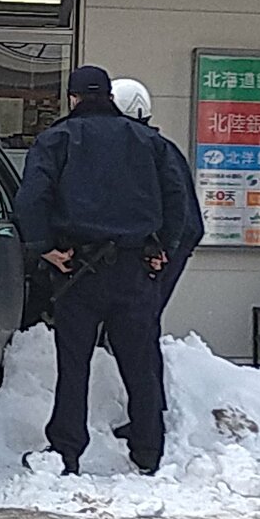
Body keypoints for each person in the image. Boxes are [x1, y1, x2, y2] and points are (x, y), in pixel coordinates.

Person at [15, 65, 188, 477]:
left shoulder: (56, 140)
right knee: (139, 363)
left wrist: (45, 249)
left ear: (73, 98)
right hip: (135, 269)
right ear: (110, 95)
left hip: (78, 268)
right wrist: (163, 246)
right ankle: (149, 452)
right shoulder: (150, 142)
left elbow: (31, 199)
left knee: (73, 366)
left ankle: (67, 452)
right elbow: (177, 197)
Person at [108, 78, 205, 444]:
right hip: (169, 247)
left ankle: (149, 422)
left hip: (164, 250)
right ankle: (150, 414)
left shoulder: (148, 149)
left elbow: (176, 209)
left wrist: (162, 250)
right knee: (141, 330)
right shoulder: (155, 147)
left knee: (138, 331)